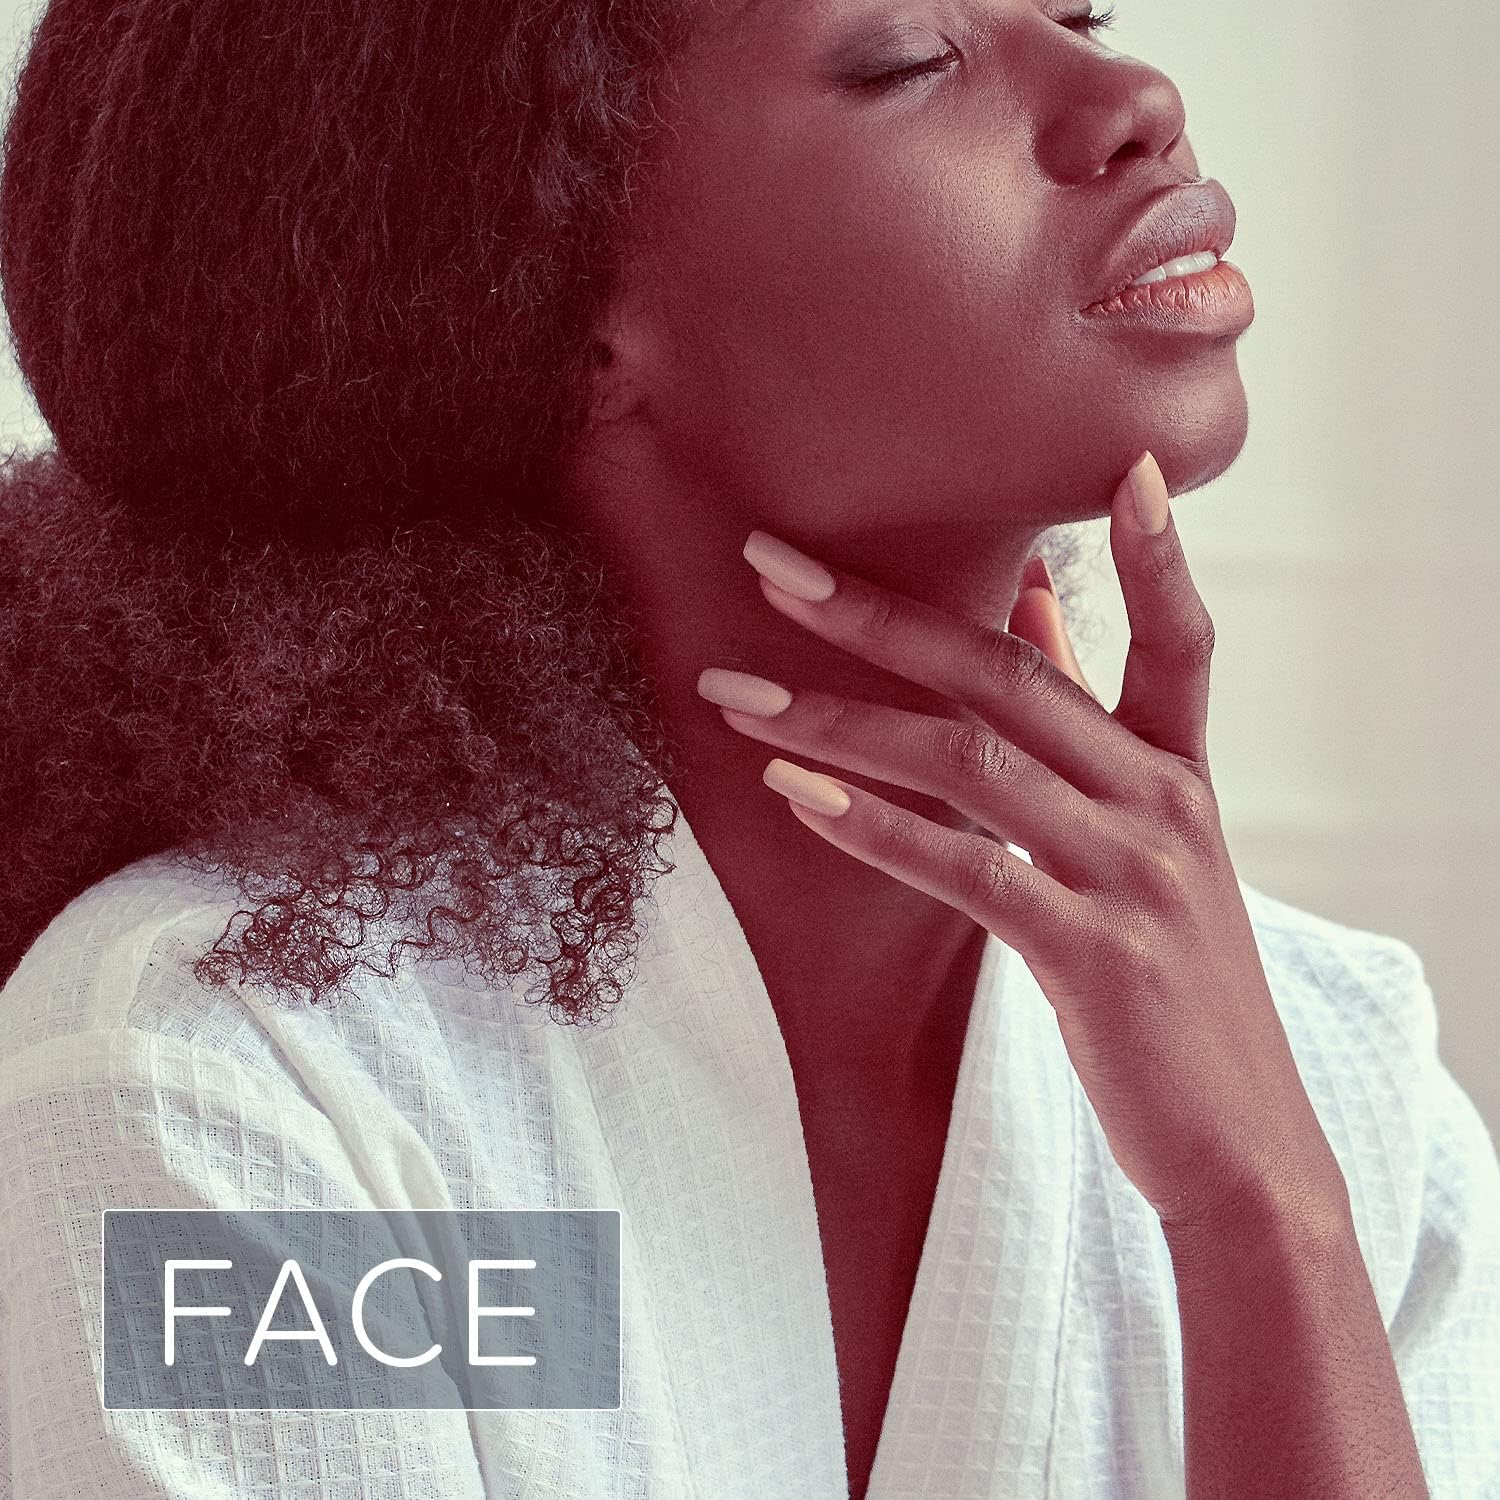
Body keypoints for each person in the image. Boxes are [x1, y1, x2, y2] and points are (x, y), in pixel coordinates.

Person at [0, 0, 1495, 1496]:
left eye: (1077, 9)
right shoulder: (237, 1086)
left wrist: (1268, 1222)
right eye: (910, 57)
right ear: (551, 294)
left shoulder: (1339, 1084)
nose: (1134, 96)